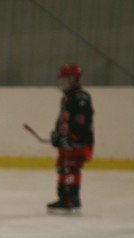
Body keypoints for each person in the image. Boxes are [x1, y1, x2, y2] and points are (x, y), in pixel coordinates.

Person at [46, 63, 94, 213]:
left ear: (73, 80)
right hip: (68, 141)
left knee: (71, 168)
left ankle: (71, 199)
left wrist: (71, 138)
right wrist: (57, 134)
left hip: (77, 142)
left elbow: (81, 123)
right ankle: (63, 197)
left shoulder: (81, 97)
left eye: (65, 79)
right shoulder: (67, 97)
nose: (61, 82)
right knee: (63, 167)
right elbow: (63, 120)